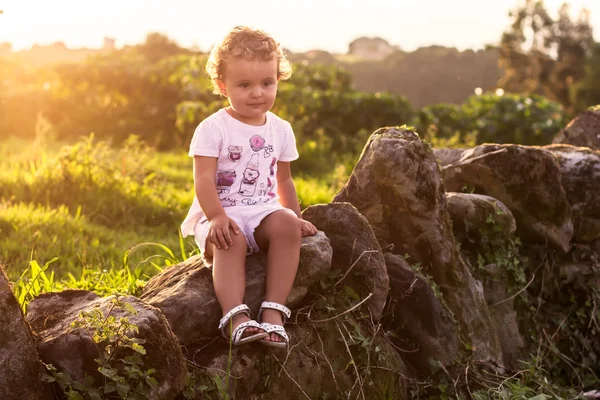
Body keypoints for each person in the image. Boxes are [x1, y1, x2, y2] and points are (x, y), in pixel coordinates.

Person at [180, 26, 318, 348]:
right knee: (230, 241)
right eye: (244, 85)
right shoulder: (213, 128)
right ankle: (236, 318)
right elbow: (202, 179)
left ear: (277, 80)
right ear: (221, 85)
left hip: (261, 210)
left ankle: (273, 312)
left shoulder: (281, 129)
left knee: (286, 225)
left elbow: (283, 179)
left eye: (266, 83)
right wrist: (215, 217)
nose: (257, 93)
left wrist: (294, 216)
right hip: (221, 212)